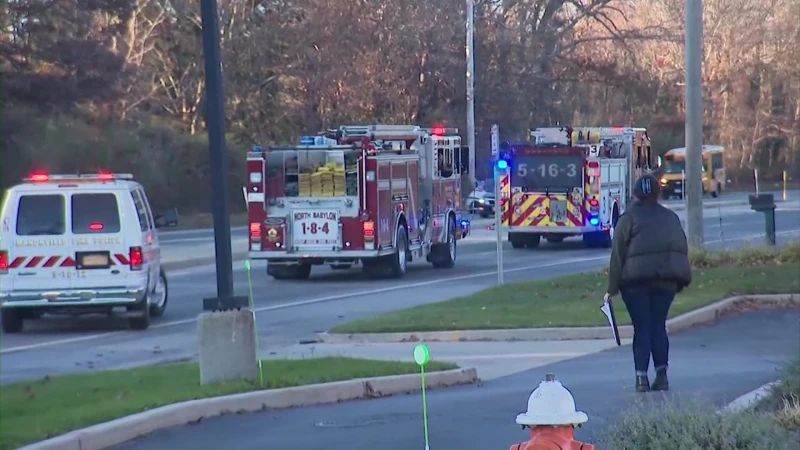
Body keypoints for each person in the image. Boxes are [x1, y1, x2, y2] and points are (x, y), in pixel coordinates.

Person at [605, 174, 692, 392]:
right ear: (657, 193)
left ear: (634, 194)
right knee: (658, 326)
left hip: (634, 284)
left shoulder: (627, 218)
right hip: (666, 283)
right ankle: (662, 375)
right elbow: (681, 249)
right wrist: (680, 280)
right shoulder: (671, 218)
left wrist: (611, 289)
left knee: (642, 327)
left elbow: (617, 254)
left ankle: (641, 378)